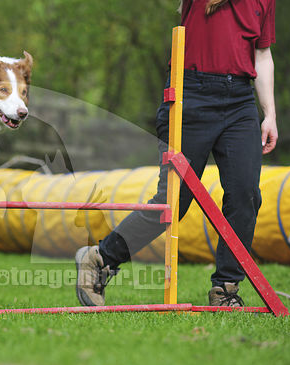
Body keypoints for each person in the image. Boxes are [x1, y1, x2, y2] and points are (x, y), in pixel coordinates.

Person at [75, 0, 278, 307]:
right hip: (190, 93)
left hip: (239, 100)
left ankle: (225, 289)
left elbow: (262, 55)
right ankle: (100, 258)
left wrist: (270, 113)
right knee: (172, 202)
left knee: (245, 194)